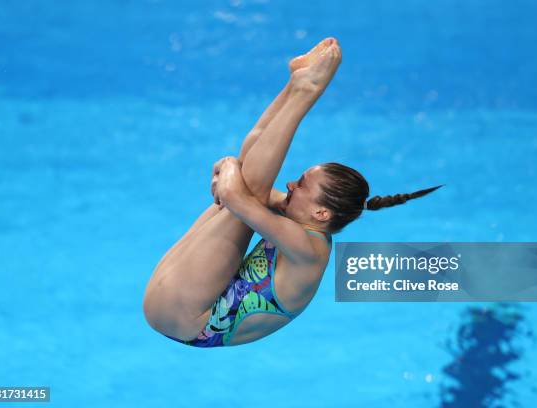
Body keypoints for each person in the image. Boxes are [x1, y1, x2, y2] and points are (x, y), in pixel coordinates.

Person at [143, 38, 441, 347]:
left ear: (321, 213)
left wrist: (227, 164)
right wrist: (232, 169)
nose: (289, 186)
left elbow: (233, 195)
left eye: (301, 186)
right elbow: (245, 180)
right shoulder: (301, 221)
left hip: (187, 318)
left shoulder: (308, 249)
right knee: (251, 183)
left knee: (249, 190)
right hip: (176, 309)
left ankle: (307, 91)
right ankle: (296, 85)